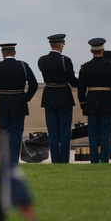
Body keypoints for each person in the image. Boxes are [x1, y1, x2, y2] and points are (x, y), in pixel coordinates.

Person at [0, 42, 39, 166]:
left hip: (3, 104)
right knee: (17, 134)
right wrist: (26, 97)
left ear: (3, 53)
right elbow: (34, 85)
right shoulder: (23, 66)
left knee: (4, 134)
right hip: (19, 103)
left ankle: (5, 161)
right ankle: (14, 161)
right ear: (14, 52)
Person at [77, 37, 111, 163]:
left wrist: (83, 104)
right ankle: (105, 160)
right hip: (107, 103)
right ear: (103, 50)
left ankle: (94, 160)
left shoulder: (85, 67)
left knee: (93, 135)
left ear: (91, 51)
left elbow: (81, 88)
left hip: (91, 103)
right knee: (105, 135)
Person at [37, 33, 77, 163]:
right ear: (61, 45)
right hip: (64, 97)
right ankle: (64, 160)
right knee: (65, 132)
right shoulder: (65, 60)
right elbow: (73, 81)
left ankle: (55, 160)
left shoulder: (42, 60)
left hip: (49, 97)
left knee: (53, 132)